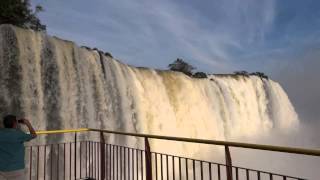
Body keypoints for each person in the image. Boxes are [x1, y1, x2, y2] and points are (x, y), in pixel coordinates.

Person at [0, 115, 37, 180]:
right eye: (16, 122)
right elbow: (34, 135)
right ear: (14, 124)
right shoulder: (19, 134)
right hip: (17, 170)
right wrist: (28, 124)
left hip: (2, 169)